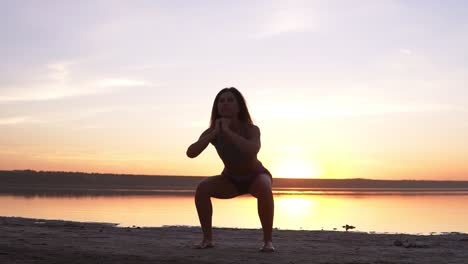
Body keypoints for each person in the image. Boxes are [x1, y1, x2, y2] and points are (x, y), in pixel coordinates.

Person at [186, 87, 275, 252]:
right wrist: (215, 133)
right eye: (221, 101)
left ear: (239, 106)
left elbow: (251, 150)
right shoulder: (212, 131)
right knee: (202, 188)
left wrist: (227, 131)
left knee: (264, 186)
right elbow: (191, 153)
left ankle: (267, 241)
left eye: (230, 100)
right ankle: (207, 239)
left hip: (256, 176)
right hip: (230, 179)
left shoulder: (251, 129)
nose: (225, 104)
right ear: (217, 106)